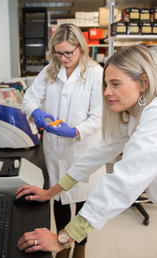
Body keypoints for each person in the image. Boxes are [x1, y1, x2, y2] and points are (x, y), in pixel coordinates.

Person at [17, 44, 157, 255]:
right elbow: (96, 154)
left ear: (143, 82)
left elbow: (125, 181)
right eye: (106, 84)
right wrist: (51, 191)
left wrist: (62, 238)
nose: (107, 92)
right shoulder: (134, 114)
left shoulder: (154, 117)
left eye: (115, 84)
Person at [21, 23, 104, 258]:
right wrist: (36, 112)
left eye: (69, 52)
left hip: (82, 150)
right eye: (58, 52)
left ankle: (79, 247)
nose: (64, 58)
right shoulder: (50, 70)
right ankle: (62, 246)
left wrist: (75, 131)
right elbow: (30, 97)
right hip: (55, 152)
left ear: (80, 47)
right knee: (58, 199)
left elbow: (98, 117)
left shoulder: (95, 73)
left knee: (82, 204)